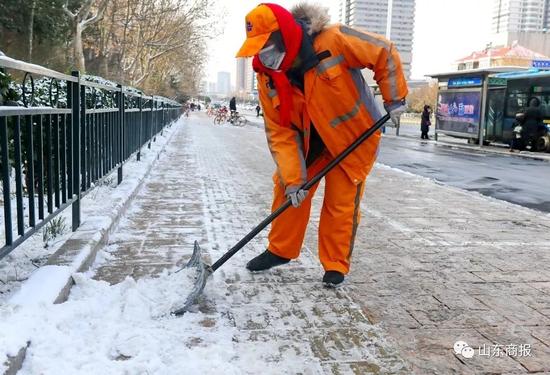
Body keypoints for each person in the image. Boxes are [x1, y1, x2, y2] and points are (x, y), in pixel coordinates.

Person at [236, 3, 408, 286]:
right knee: (287, 188)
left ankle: (335, 265)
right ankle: (280, 250)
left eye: (267, 46)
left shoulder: (334, 39)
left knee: (340, 203)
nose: (263, 55)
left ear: (284, 36)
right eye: (259, 49)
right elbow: (280, 130)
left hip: (352, 137)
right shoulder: (267, 77)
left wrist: (394, 98)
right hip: (310, 142)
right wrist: (294, 180)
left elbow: (383, 51)